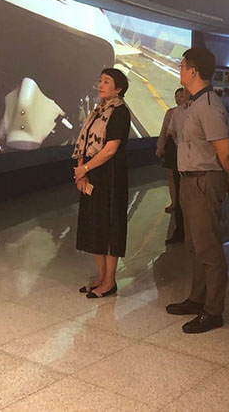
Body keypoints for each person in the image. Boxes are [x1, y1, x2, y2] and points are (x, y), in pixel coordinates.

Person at [165, 47, 229, 334]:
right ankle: (197, 298)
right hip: (190, 179)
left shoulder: (208, 105)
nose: (180, 69)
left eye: (182, 65)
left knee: (208, 247)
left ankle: (213, 310)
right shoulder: (194, 103)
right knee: (195, 244)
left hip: (204, 180)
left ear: (193, 71)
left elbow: (225, 151)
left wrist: (227, 178)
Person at [73, 68, 131, 299]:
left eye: (107, 81)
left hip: (110, 177)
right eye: (100, 80)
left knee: (109, 226)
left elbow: (110, 149)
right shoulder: (97, 111)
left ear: (118, 89)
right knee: (94, 225)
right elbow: (84, 143)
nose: (101, 85)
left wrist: (85, 169)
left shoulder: (119, 112)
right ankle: (100, 276)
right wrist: (82, 172)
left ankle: (110, 281)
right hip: (92, 174)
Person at [164, 88, 191, 244]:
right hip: (179, 157)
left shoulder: (202, 108)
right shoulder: (176, 112)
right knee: (180, 190)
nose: (180, 98)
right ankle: (180, 231)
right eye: (177, 96)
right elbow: (170, 131)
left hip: (196, 161)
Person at [156, 88, 186, 214]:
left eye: (181, 96)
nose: (178, 99)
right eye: (176, 96)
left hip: (184, 147)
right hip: (172, 147)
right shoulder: (171, 112)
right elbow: (164, 131)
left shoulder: (191, 111)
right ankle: (174, 202)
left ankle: (183, 203)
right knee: (171, 176)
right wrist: (160, 147)